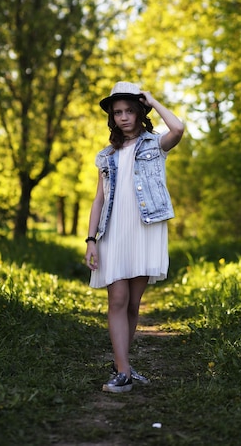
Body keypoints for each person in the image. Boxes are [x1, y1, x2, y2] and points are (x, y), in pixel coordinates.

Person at [84, 81, 185, 393]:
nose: (124, 117)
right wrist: (91, 240)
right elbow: (99, 200)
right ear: (112, 118)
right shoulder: (106, 156)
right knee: (117, 298)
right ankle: (124, 372)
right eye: (118, 113)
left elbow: (178, 129)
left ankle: (122, 366)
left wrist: (154, 99)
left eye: (129, 110)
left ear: (141, 112)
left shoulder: (155, 144)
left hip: (145, 229)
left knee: (133, 304)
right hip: (114, 231)